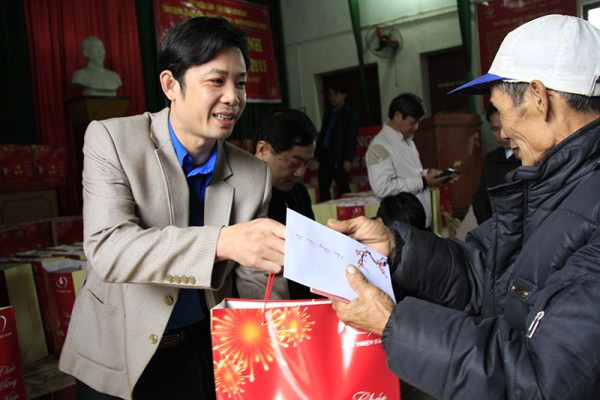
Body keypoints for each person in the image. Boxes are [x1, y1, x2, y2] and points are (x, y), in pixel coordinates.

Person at [329, 14, 600, 399]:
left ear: (539, 98)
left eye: (501, 111)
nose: (502, 132)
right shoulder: (552, 186)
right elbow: (483, 268)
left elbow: (538, 382)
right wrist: (396, 248)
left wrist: (394, 323)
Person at [59, 17, 286, 400]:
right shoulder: (111, 140)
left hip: (199, 350)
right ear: (170, 85)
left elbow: (257, 281)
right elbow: (109, 248)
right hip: (116, 350)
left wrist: (269, 349)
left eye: (241, 83)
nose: (233, 97)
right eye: (217, 81)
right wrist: (222, 242)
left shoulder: (253, 174)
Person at [236, 108, 319, 300]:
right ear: (263, 150)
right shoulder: (240, 196)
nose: (300, 173)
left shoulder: (298, 193)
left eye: (306, 164)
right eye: (294, 163)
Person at [366, 93, 454, 228]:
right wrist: (423, 182)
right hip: (402, 224)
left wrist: (430, 174)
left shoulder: (408, 141)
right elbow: (382, 188)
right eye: (413, 122)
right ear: (398, 115)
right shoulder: (379, 146)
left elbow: (410, 173)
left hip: (419, 219)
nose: (416, 127)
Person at [471, 104, 521, 224]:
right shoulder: (491, 159)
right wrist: (490, 226)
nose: (502, 135)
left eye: (506, 127)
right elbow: (480, 198)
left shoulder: (529, 158)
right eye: (495, 129)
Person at [315, 82, 358, 201]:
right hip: (326, 155)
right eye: (330, 95)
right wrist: (318, 152)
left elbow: (351, 138)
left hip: (340, 156)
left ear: (343, 95)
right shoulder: (328, 114)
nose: (332, 98)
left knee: (343, 186)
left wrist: (348, 159)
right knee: (323, 186)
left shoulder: (349, 115)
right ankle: (325, 210)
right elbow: (323, 134)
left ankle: (347, 209)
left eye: (335, 94)